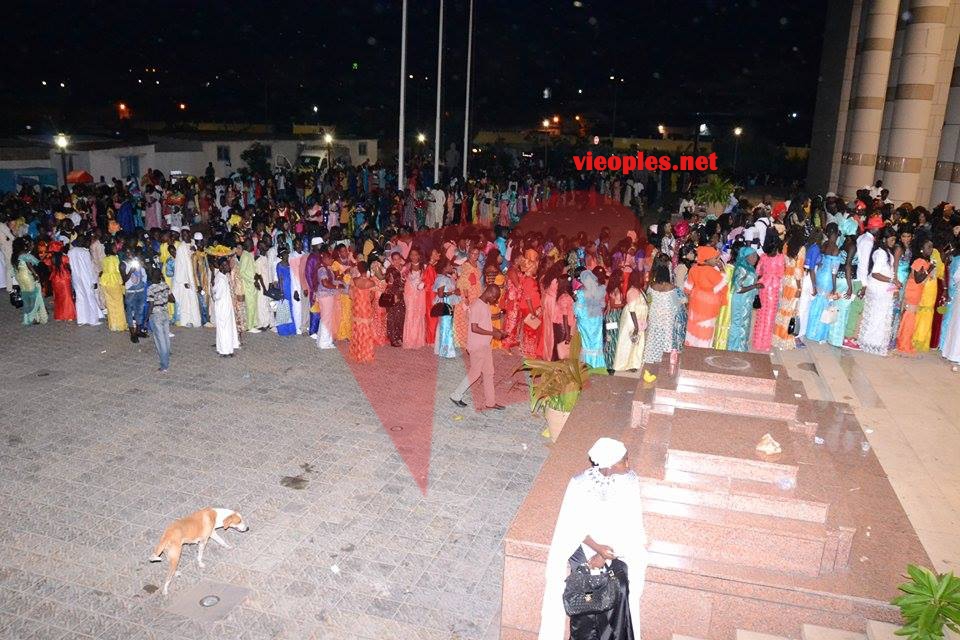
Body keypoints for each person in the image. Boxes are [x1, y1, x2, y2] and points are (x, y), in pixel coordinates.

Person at [538, 437, 646, 640]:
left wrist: (607, 554)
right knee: (587, 591)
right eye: (624, 461)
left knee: (621, 587)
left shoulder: (630, 481)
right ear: (610, 464)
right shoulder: (580, 484)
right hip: (586, 546)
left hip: (619, 548)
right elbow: (572, 526)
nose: (628, 465)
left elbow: (632, 526)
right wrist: (598, 550)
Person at [449, 284, 505, 411]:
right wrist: (492, 333)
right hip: (477, 346)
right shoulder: (477, 306)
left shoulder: (485, 304)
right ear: (490, 293)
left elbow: (486, 325)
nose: (495, 301)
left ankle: (490, 402)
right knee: (475, 373)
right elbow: (474, 327)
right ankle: (456, 395)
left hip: (485, 345)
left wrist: (498, 331)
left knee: (489, 373)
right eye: (495, 298)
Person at [859, 228, 900, 356]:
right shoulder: (880, 253)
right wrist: (892, 281)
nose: (893, 242)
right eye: (892, 239)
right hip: (878, 288)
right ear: (884, 239)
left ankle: (876, 343)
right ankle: (871, 342)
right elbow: (875, 273)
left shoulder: (887, 252)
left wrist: (893, 285)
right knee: (877, 315)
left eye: (894, 239)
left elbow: (891, 271)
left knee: (882, 316)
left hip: (884, 288)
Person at [683, 246, 728, 347]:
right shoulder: (712, 272)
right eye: (715, 258)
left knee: (694, 327)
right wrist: (722, 270)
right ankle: (703, 351)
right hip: (708, 306)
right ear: (706, 259)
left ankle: (691, 348)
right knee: (706, 329)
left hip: (695, 303)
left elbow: (687, 288)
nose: (717, 260)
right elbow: (722, 284)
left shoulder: (693, 269)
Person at [896, 238, 933, 354]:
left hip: (918, 291)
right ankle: (903, 343)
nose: (931, 249)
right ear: (922, 249)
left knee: (911, 317)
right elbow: (917, 279)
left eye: (932, 246)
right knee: (909, 318)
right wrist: (930, 269)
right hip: (913, 291)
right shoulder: (919, 261)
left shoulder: (926, 261)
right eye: (928, 247)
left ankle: (905, 342)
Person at [643, 259, 680, 365]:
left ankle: (651, 356)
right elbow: (676, 303)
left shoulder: (652, 286)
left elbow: (649, 300)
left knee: (653, 335)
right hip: (667, 316)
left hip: (654, 315)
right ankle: (665, 358)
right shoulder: (671, 287)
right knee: (667, 335)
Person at [752, 234, 785, 352]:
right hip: (774, 287)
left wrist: (765, 276)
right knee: (769, 316)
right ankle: (765, 344)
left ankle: (757, 342)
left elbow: (758, 272)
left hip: (763, 287)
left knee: (761, 315)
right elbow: (781, 274)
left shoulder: (763, 257)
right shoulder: (780, 258)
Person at [613, 270, 648, 371]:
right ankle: (624, 364)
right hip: (632, 321)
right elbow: (632, 311)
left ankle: (633, 363)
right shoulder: (632, 291)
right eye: (641, 277)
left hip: (639, 320)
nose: (642, 279)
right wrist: (636, 327)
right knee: (628, 342)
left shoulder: (639, 290)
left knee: (636, 342)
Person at [727, 246, 760, 352]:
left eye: (756, 255)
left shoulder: (749, 268)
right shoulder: (741, 269)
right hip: (740, 301)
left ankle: (741, 347)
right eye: (753, 256)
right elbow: (739, 289)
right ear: (745, 257)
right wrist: (755, 286)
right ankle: (733, 348)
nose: (755, 258)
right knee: (737, 324)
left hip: (746, 301)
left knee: (744, 324)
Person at [11, 238, 48, 325]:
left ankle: (28, 318)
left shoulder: (14, 256)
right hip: (27, 277)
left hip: (20, 278)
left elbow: (13, 270)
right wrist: (36, 274)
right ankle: (33, 318)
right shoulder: (24, 255)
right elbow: (32, 264)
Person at [67, 236, 102, 326]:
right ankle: (93, 320)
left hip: (76, 278)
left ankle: (82, 319)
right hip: (86, 278)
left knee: (80, 298)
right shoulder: (85, 252)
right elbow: (89, 268)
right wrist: (94, 281)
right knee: (90, 297)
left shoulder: (70, 252)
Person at [575, 269, 606, 368]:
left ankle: (588, 362)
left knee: (586, 342)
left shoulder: (581, 293)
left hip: (585, 321)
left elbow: (577, 310)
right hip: (596, 320)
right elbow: (602, 305)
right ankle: (597, 363)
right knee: (597, 341)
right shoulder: (599, 291)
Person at [146, 268, 174, 371]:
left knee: (159, 340)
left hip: (156, 315)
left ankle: (164, 365)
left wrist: (146, 319)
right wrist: (164, 297)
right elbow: (173, 299)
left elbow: (151, 305)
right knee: (166, 336)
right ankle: (167, 353)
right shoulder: (165, 285)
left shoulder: (150, 288)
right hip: (165, 313)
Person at [172, 230, 202, 328]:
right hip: (185, 279)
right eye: (183, 235)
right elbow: (179, 265)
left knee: (193, 300)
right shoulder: (181, 248)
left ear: (190, 234)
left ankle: (195, 320)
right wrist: (184, 280)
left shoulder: (192, 244)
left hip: (193, 277)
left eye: (186, 235)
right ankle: (187, 320)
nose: (184, 237)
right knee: (186, 301)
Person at [349, 262, 377, 363]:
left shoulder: (354, 280)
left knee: (357, 328)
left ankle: (357, 352)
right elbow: (372, 297)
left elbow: (351, 295)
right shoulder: (371, 283)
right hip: (365, 308)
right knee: (366, 330)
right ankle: (365, 354)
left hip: (357, 307)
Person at [212, 257, 240, 357]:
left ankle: (228, 348)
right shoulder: (220, 279)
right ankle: (224, 351)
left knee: (228, 328)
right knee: (223, 328)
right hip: (222, 307)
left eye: (227, 264)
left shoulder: (224, 276)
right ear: (220, 267)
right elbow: (216, 295)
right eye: (225, 265)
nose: (228, 266)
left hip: (227, 306)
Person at [433, 258, 460, 359]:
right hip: (445, 303)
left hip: (448, 302)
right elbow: (440, 294)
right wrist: (453, 292)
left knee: (447, 326)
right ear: (444, 268)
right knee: (446, 326)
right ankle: (445, 351)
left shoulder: (446, 277)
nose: (451, 267)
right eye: (449, 265)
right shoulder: (442, 279)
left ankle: (443, 348)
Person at [403, 248, 427, 348]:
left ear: (419, 256)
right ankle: (409, 340)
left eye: (415, 254)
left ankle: (418, 340)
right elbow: (402, 279)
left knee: (419, 314)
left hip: (420, 294)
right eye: (411, 255)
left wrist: (423, 284)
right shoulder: (407, 267)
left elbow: (428, 280)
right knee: (410, 314)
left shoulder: (424, 267)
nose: (413, 257)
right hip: (409, 293)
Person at [99, 246, 127, 332]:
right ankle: (120, 325)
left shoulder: (104, 259)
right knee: (118, 303)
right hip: (114, 281)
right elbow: (118, 270)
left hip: (105, 281)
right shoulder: (115, 258)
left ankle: (113, 325)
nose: (116, 249)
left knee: (110, 303)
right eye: (114, 248)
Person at [48, 241, 76, 322]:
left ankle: (60, 316)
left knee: (58, 297)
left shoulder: (51, 258)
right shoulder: (64, 258)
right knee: (67, 296)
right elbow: (68, 266)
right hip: (64, 277)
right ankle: (69, 315)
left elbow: (49, 267)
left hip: (55, 278)